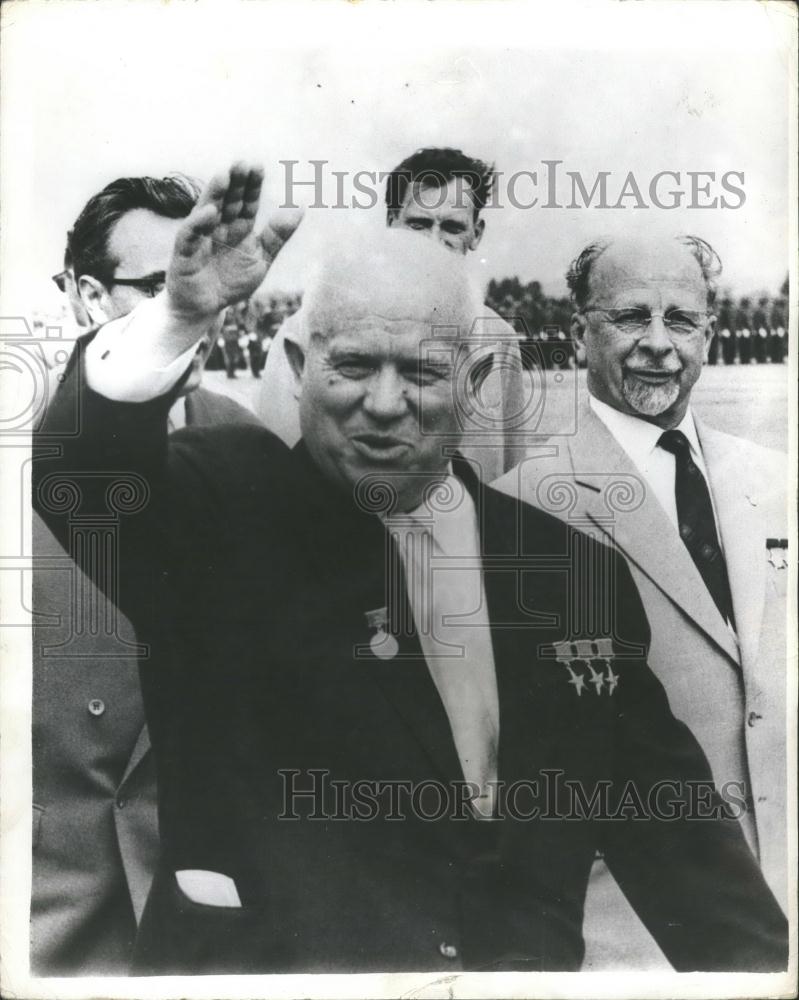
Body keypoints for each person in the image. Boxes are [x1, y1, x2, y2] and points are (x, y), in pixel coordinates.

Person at [34, 165, 787, 974]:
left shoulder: (569, 574)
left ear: (473, 383)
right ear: (298, 358)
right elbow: (82, 479)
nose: (384, 404)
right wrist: (178, 317)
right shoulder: (221, 513)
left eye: (421, 373)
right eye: (353, 366)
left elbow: (682, 851)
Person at [494, 234, 789, 968]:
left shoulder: (778, 480)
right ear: (577, 336)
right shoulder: (522, 508)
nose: (658, 345)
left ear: (709, 334)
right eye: (630, 317)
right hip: (632, 931)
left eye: (680, 321)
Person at [32, 174, 259, 975]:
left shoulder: (246, 445)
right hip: (49, 938)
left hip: (212, 940)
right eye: (165, 288)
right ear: (91, 298)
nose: (194, 307)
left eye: (205, 281)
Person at [255, 147, 526, 480]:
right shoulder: (312, 326)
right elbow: (276, 466)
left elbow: (510, 478)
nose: (433, 241)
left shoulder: (498, 340)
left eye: (453, 227)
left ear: (476, 233)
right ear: (390, 222)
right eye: (419, 223)